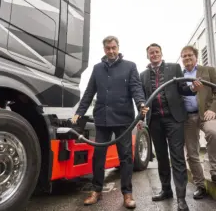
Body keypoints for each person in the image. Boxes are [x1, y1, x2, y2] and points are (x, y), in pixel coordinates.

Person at [72, 36, 149, 209]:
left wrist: (141, 104)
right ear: (104, 49)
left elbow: (136, 88)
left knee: (126, 157)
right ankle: (96, 191)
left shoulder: (130, 66)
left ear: (118, 47)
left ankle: (127, 194)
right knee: (99, 156)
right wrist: (79, 113)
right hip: (103, 119)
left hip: (123, 119)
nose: (111, 51)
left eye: (114, 47)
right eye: (108, 48)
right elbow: (89, 92)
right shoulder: (98, 68)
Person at [139, 43, 202, 211]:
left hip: (174, 119)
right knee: (161, 157)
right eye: (151, 53)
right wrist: (141, 107)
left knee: (177, 158)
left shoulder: (174, 68)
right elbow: (142, 97)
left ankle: (181, 198)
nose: (154, 55)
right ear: (148, 56)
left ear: (161, 53)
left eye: (157, 52)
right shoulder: (143, 75)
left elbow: (183, 88)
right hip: (154, 121)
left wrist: (192, 88)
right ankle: (166, 190)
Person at [180, 45, 216, 200]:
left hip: (207, 114)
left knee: (213, 132)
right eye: (184, 56)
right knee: (191, 152)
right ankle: (200, 185)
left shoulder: (208, 71)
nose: (187, 58)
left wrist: (214, 110)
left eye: (190, 55)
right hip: (187, 117)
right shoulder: (179, 76)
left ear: (196, 57)